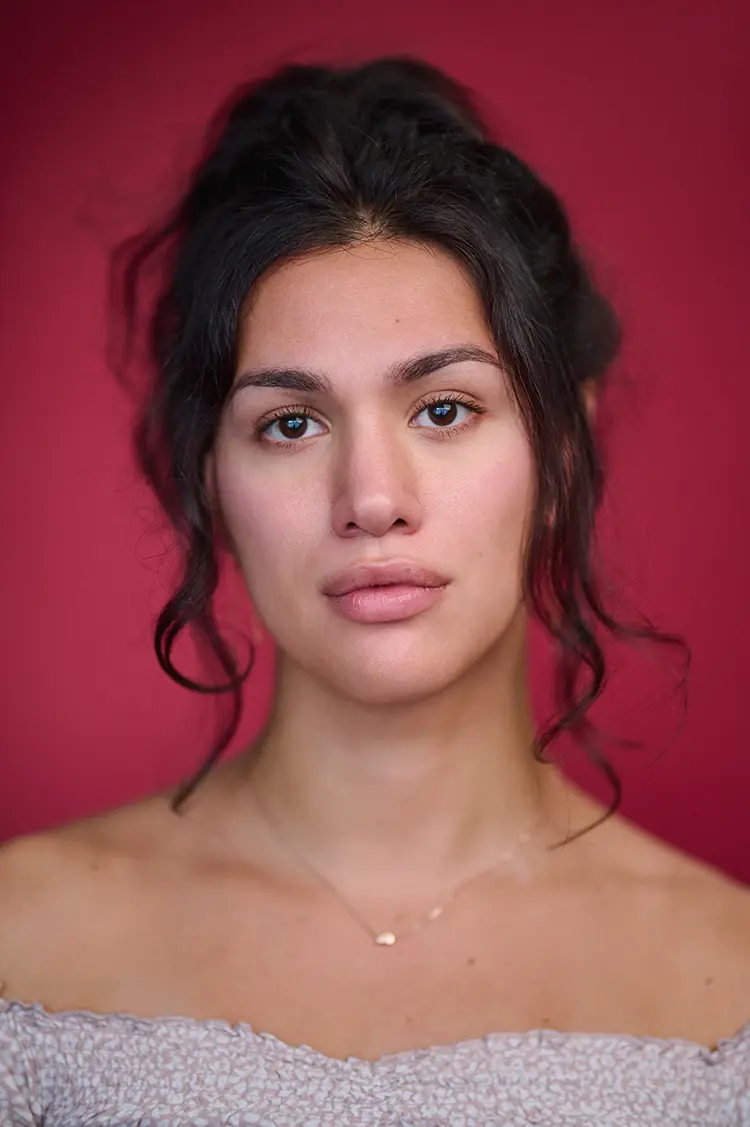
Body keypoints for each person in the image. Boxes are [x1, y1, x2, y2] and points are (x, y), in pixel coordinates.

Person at [0, 55, 748, 1126]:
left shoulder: (729, 988)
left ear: (563, 450)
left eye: (444, 409)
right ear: (206, 479)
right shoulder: (21, 947)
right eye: (290, 423)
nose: (372, 499)